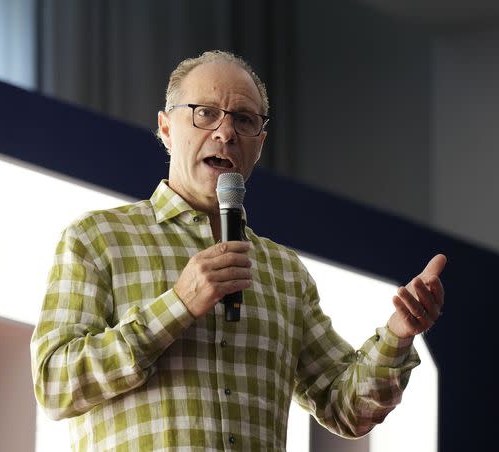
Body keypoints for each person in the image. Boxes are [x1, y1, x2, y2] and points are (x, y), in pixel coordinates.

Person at [30, 50, 446, 451]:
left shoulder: (284, 272)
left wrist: (398, 334)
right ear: (166, 128)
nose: (225, 132)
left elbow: (346, 408)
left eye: (244, 120)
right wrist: (178, 305)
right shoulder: (97, 239)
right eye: (205, 112)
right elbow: (55, 386)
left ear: (259, 144)